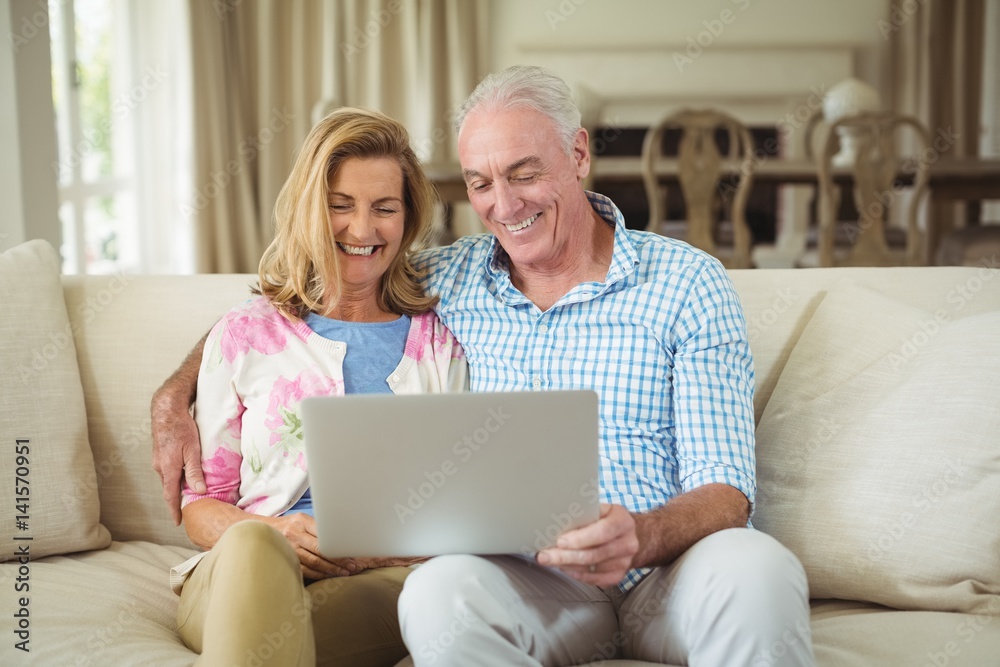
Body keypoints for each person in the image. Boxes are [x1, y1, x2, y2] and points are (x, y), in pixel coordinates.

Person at [154, 67, 815, 666]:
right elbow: (314, 301)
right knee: (440, 591)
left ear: (578, 154)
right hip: (531, 583)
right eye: (480, 182)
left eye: (524, 172)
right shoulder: (453, 276)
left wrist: (640, 535)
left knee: (758, 568)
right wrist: (176, 391)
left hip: (671, 572)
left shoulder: (689, 282)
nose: (504, 203)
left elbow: (727, 490)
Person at [163, 107, 467, 667]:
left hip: (380, 581)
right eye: (340, 206)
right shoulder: (245, 332)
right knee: (255, 549)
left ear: (408, 217)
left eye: (385, 208)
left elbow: (457, 506)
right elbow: (201, 508)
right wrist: (280, 533)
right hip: (240, 572)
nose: (362, 229)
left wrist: (361, 552)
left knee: (301, 630)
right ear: (309, 209)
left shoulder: (439, 343)